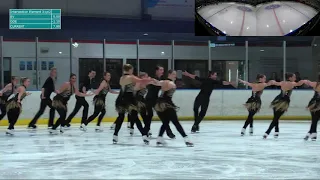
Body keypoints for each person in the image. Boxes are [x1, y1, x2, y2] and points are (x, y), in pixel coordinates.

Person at [113, 64, 153, 144]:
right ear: (130, 69)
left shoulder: (122, 78)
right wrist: (150, 80)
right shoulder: (131, 77)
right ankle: (144, 136)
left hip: (120, 99)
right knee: (135, 118)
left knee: (121, 117)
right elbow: (141, 81)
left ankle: (115, 135)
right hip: (129, 100)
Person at [154, 70, 193, 147]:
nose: (175, 76)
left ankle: (159, 138)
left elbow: (157, 83)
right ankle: (186, 139)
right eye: (173, 74)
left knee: (165, 122)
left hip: (159, 104)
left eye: (175, 74)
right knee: (176, 122)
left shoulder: (162, 82)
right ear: (169, 74)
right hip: (167, 104)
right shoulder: (172, 84)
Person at [263, 73, 306, 139]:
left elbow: (274, 83)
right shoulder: (292, 83)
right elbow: (299, 84)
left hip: (277, 100)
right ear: (290, 78)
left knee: (276, 117)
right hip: (284, 102)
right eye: (294, 77)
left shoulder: (282, 82)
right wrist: (305, 81)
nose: (295, 78)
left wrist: (272, 81)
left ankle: (276, 131)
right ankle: (267, 132)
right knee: (276, 118)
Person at [144, 65, 175, 138]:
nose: (162, 71)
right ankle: (146, 131)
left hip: (156, 100)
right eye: (161, 70)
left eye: (163, 70)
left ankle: (168, 132)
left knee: (163, 117)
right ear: (156, 71)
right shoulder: (152, 78)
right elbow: (147, 84)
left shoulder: (161, 79)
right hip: (149, 99)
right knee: (150, 115)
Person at [303, 75, 320, 141]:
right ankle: (313, 134)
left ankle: (310, 133)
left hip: (313, 103)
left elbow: (308, 82)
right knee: (315, 120)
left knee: (314, 120)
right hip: (317, 104)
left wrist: (305, 81)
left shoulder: (315, 84)